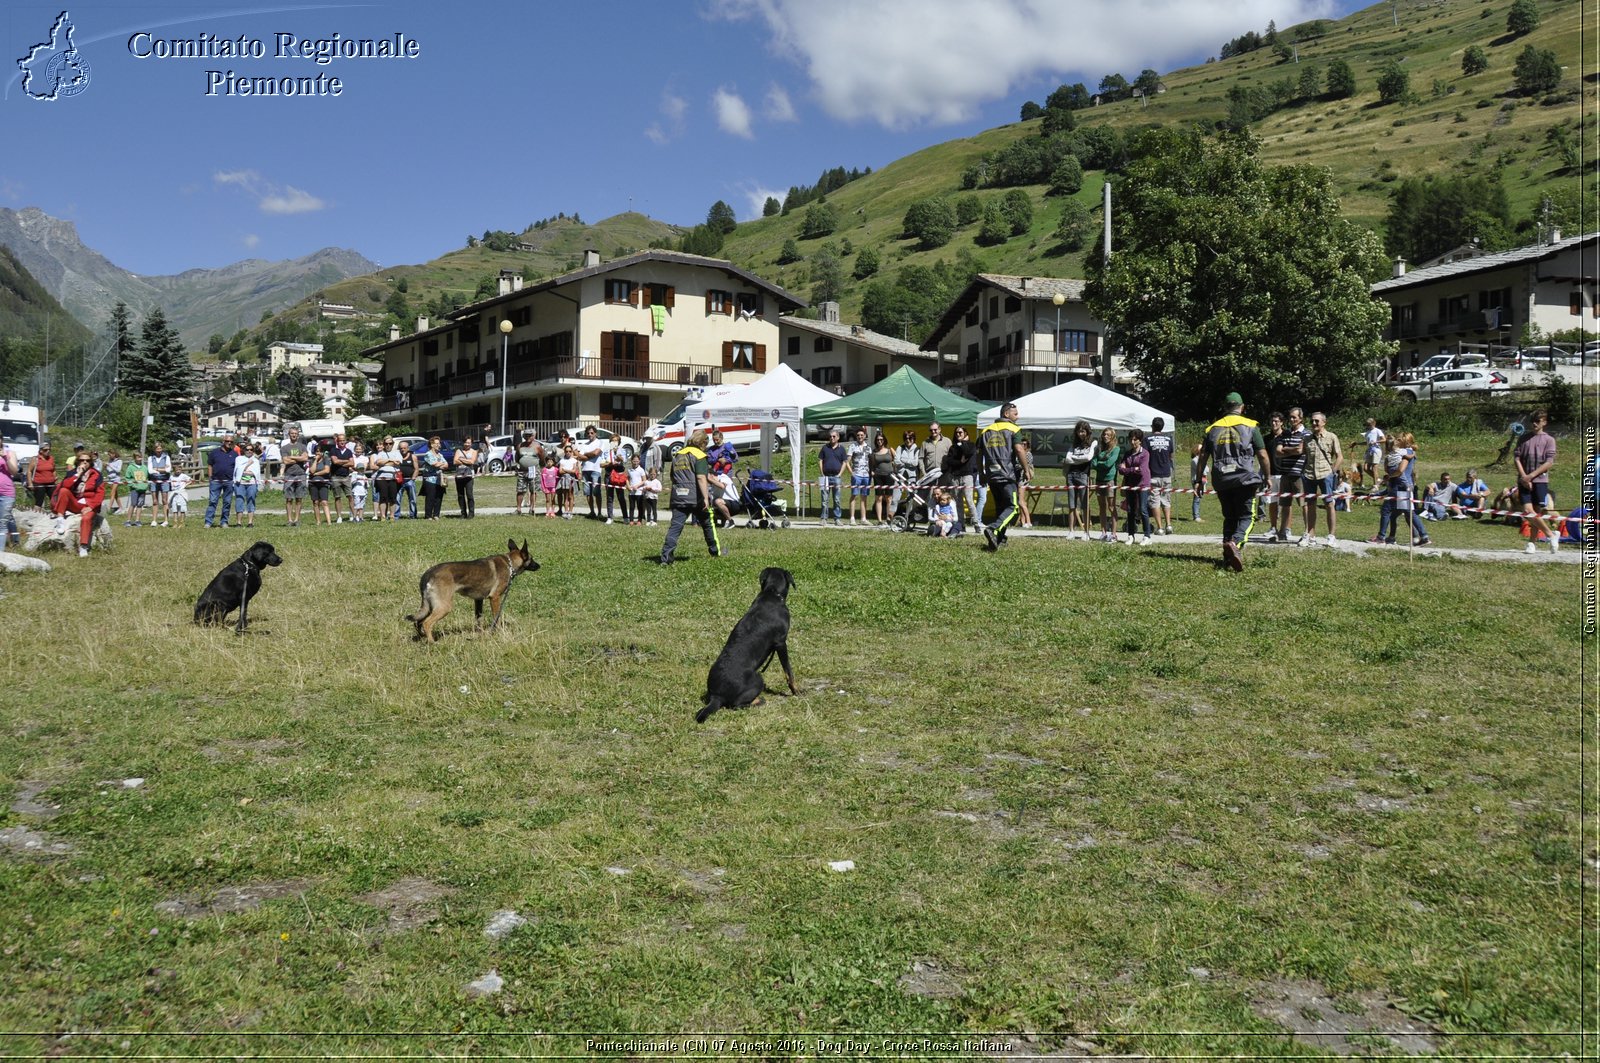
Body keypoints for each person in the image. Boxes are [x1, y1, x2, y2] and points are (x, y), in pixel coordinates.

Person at [1197, 392, 1270, 572]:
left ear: (1225, 407)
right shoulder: (1251, 426)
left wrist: (1198, 480)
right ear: (1242, 407)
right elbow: (1262, 454)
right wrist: (1267, 476)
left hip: (1221, 479)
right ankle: (1235, 544)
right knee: (1247, 516)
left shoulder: (1212, 429)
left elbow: (1202, 457)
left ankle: (1227, 555)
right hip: (1244, 478)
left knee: (1230, 517)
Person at [658, 429, 723, 564]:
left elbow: (672, 476)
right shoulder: (699, 456)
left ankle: (666, 557)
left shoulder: (677, 455)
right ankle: (715, 551)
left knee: (675, 527)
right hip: (696, 497)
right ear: (703, 442)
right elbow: (701, 478)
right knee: (707, 524)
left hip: (678, 496)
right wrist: (705, 498)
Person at [978, 401, 1027, 551]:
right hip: (1007, 475)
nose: (1017, 417)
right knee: (1013, 508)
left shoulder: (985, 430)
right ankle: (993, 529)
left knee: (1001, 508)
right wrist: (1027, 468)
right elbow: (1019, 449)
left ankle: (998, 539)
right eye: (1015, 414)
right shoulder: (1013, 429)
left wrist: (981, 473)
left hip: (992, 476)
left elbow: (979, 454)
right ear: (1006, 414)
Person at [1372, 431, 1430, 546]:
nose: (1397, 441)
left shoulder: (1406, 453)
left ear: (1405, 441)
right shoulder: (1406, 452)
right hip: (1402, 485)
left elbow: (1400, 470)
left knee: (1387, 510)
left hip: (1400, 485)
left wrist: (1389, 476)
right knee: (1399, 514)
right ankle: (1397, 537)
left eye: (1399, 439)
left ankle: (1381, 536)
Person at [1514, 409, 1558, 554]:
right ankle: (1551, 535)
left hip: (1540, 480)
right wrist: (1524, 477)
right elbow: (1517, 458)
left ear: (1544, 422)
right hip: (1523, 479)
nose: (1534, 423)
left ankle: (1532, 542)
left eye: (1538, 421)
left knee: (1537, 512)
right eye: (1532, 420)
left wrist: (1531, 476)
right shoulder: (1523, 438)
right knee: (1528, 511)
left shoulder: (1549, 440)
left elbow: (1549, 462)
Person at [52, 452, 105, 557]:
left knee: (86, 519)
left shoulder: (97, 475)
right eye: (82, 460)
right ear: (78, 461)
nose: (85, 462)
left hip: (89, 504)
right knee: (63, 491)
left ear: (91, 462)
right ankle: (60, 519)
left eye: (87, 460)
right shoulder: (72, 473)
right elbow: (64, 485)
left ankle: (83, 546)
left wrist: (91, 507)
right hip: (75, 502)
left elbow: (100, 493)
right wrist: (77, 475)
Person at [1303, 411, 1342, 545]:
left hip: (1326, 475)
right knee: (1310, 504)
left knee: (1329, 504)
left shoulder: (1331, 437)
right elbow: (1303, 455)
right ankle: (1311, 535)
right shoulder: (1307, 438)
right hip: (1309, 475)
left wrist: (1333, 471)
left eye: (1317, 421)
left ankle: (1331, 536)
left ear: (1324, 422)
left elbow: (1339, 456)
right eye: (1312, 421)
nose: (1314, 423)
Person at [1269, 409, 1308, 542]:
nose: (1292, 420)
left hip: (1299, 474)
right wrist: (1292, 451)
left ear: (1301, 418)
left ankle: (1308, 532)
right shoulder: (1285, 433)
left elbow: (1300, 450)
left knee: (1304, 504)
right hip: (1285, 474)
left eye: (1294, 417)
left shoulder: (1306, 433)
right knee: (1285, 505)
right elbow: (1278, 452)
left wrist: (1286, 450)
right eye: (1290, 417)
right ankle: (1282, 532)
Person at [1061, 421, 1096, 540]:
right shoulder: (1074, 444)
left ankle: (1086, 532)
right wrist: (1079, 459)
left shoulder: (1093, 442)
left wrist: (1075, 459)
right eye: (1079, 431)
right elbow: (1067, 459)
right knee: (1072, 505)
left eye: (1083, 431)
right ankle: (1071, 531)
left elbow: (1088, 457)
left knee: (1084, 505)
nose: (1081, 433)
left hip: (1083, 475)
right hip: (1071, 475)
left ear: (1087, 432)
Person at [1118, 429, 1152, 544]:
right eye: (1131, 439)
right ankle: (1131, 535)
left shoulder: (1145, 453)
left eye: (1135, 439)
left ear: (1140, 440)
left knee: (1142, 509)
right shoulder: (1127, 454)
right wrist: (1132, 469)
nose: (1132, 442)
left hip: (1143, 484)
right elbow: (1120, 470)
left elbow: (1141, 471)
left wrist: (1127, 469)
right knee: (1130, 510)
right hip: (1130, 485)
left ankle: (1147, 536)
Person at [944, 425, 980, 527]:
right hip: (955, 476)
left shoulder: (971, 445)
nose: (958, 434)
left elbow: (967, 452)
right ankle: (961, 524)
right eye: (957, 433)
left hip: (967, 476)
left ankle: (976, 523)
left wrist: (963, 442)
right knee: (957, 501)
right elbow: (950, 461)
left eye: (960, 432)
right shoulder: (953, 447)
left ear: (965, 434)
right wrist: (960, 461)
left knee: (969, 500)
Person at [1090, 427, 1120, 542]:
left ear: (1112, 436)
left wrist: (1100, 464)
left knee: (1111, 507)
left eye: (1108, 435)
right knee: (1101, 506)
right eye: (1104, 434)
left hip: (1110, 480)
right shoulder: (1099, 449)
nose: (1105, 436)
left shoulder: (1116, 449)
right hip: (1099, 480)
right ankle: (1103, 532)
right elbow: (1093, 463)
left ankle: (1113, 534)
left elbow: (1109, 464)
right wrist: (1100, 464)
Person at [1146, 417, 1175, 536]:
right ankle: (1169, 525)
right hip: (1166, 473)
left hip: (1153, 474)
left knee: (1155, 501)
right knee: (1166, 500)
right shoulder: (1169, 439)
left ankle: (1160, 527)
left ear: (1152, 426)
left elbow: (1145, 456)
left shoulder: (1147, 439)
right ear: (1162, 427)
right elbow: (1171, 456)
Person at [204, 431, 239, 528]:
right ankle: (208, 522)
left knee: (227, 502)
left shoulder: (235, 454)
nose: (229, 443)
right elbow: (210, 465)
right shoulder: (214, 453)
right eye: (227, 441)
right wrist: (210, 478)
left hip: (229, 482)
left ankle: (224, 522)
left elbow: (237, 468)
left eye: (231, 441)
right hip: (215, 481)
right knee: (213, 501)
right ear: (223, 441)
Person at [281, 427, 309, 528]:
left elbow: (305, 458)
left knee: (299, 498)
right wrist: (299, 459)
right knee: (289, 499)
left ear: (298, 435)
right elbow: (285, 461)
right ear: (289, 434)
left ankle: (297, 519)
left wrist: (292, 457)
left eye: (295, 433)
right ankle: (289, 519)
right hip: (289, 474)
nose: (294, 435)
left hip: (301, 474)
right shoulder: (284, 448)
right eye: (292, 433)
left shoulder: (302, 446)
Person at [817, 429, 847, 526]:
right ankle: (823, 518)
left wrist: (840, 474)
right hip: (825, 477)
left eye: (834, 436)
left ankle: (837, 519)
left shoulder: (842, 449)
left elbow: (845, 462)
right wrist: (822, 473)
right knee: (824, 499)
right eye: (830, 436)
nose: (832, 438)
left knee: (837, 499)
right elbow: (820, 460)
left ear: (838, 437)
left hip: (836, 477)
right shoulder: (825, 448)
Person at [371, 435, 403, 522]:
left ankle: (392, 516)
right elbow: (378, 462)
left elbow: (398, 462)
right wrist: (392, 460)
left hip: (393, 478)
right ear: (384, 444)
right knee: (383, 497)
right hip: (381, 478)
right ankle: (383, 516)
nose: (388, 445)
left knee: (393, 498)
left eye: (390, 443)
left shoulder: (397, 452)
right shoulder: (380, 453)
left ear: (393, 444)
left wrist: (385, 462)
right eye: (386, 443)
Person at [845, 427, 872, 525]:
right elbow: (847, 461)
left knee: (864, 497)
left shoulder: (868, 447)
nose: (860, 437)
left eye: (862, 435)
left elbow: (871, 461)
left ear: (865, 436)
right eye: (858, 435)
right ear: (856, 436)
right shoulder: (853, 446)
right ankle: (852, 518)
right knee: (854, 495)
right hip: (857, 474)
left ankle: (863, 518)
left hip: (866, 475)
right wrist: (852, 472)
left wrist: (871, 472)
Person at [327, 432, 354, 523]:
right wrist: (346, 461)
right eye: (340, 441)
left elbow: (352, 463)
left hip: (346, 477)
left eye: (343, 440)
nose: (342, 442)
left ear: (345, 441)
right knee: (337, 497)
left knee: (350, 496)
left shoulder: (349, 451)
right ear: (337, 441)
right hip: (336, 477)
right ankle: (339, 516)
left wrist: (340, 462)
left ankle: (353, 515)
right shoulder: (333, 450)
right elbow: (335, 462)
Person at [418, 437, 448, 520]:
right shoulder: (428, 454)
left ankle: (436, 515)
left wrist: (440, 464)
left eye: (439, 443)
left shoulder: (440, 455)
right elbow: (434, 464)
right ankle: (428, 515)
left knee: (438, 497)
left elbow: (447, 465)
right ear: (432, 445)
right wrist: (441, 464)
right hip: (430, 479)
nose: (439, 445)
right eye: (437, 443)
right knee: (430, 498)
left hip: (439, 479)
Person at [869, 430, 895, 527]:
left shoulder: (889, 450)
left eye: (881, 439)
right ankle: (880, 520)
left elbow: (897, 461)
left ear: (884, 440)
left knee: (889, 498)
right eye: (878, 440)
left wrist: (895, 471)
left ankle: (888, 518)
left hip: (889, 476)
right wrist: (872, 471)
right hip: (878, 476)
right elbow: (871, 463)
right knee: (879, 498)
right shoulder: (874, 452)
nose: (880, 441)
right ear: (876, 441)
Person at [578, 426, 604, 518]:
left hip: (595, 470)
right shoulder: (584, 445)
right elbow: (580, 457)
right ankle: (592, 512)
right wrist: (587, 455)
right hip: (585, 470)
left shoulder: (600, 442)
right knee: (588, 493)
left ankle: (600, 512)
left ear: (595, 433)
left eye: (592, 433)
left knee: (596, 492)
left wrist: (585, 454)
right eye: (588, 433)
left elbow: (595, 453)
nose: (590, 435)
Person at [307, 438, 335, 525]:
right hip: (313, 483)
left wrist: (316, 474)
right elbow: (311, 470)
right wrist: (315, 460)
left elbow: (326, 470)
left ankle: (329, 522)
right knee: (315, 502)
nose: (318, 453)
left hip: (323, 482)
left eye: (319, 451)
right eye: (316, 451)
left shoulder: (326, 459)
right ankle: (318, 521)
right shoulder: (311, 460)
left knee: (324, 502)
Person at [893, 429, 920, 515]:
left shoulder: (917, 449)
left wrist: (903, 460)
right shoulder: (900, 448)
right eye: (906, 438)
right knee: (895, 498)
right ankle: (891, 516)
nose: (908, 440)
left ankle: (909, 516)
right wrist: (909, 462)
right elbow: (896, 461)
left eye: (910, 438)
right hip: (900, 477)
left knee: (910, 497)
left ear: (914, 438)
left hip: (912, 477)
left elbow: (915, 463)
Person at [454, 435, 481, 518]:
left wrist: (461, 459)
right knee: (460, 495)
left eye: (469, 443)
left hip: (469, 476)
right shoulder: (458, 451)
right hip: (459, 476)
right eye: (466, 442)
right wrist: (466, 461)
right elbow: (455, 461)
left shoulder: (474, 451)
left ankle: (471, 513)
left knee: (469, 494)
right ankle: (463, 513)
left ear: (471, 443)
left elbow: (472, 462)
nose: (467, 444)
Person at [603, 439, 629, 524]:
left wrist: (616, 454)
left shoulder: (622, 450)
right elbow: (602, 464)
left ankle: (625, 517)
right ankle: (610, 517)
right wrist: (609, 463)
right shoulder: (606, 451)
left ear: (619, 442)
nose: (614, 442)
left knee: (621, 497)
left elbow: (624, 460)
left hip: (619, 476)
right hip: (609, 475)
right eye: (612, 441)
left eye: (616, 441)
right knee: (609, 497)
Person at [147, 441, 173, 527]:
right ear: (154, 449)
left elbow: (168, 470)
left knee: (165, 501)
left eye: (160, 448)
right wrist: (162, 469)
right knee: (155, 501)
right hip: (154, 481)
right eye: (157, 449)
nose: (159, 450)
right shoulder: (150, 458)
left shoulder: (167, 457)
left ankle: (166, 520)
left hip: (164, 480)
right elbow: (150, 471)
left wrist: (156, 469)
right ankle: (154, 520)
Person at [920, 422, 952, 489]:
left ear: (939, 429)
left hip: (944, 473)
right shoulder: (925, 443)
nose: (933, 431)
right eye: (931, 430)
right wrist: (923, 472)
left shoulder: (947, 441)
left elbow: (951, 457)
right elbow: (920, 458)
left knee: (943, 495)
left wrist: (949, 472)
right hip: (929, 474)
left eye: (935, 429)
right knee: (931, 496)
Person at [26, 441, 57, 509]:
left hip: (51, 483)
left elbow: (53, 469)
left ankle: (55, 512)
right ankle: (36, 515)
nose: (48, 451)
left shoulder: (51, 458)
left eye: (49, 450)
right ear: (41, 451)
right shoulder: (35, 459)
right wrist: (30, 483)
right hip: (39, 483)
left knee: (55, 499)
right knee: (39, 501)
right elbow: (29, 471)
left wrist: (55, 477)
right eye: (45, 450)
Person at [124, 451, 149, 527]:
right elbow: (127, 478)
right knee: (133, 504)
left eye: (140, 456)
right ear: (134, 458)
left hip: (143, 489)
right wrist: (132, 484)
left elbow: (147, 477)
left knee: (140, 505)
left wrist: (146, 484)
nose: (139, 458)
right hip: (134, 489)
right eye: (137, 457)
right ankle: (128, 520)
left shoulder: (144, 467)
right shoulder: (130, 467)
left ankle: (137, 520)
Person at [0, 433, 16, 552]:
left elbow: (14, 471)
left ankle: (1, 552)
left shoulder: (10, 453)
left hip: (6, 493)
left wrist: (5, 458)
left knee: (2, 523)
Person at [1016, 438, 1036, 529]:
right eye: (1022, 444)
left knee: (1021, 501)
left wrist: (1016, 465)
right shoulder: (1018, 454)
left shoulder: (1028, 454)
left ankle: (1028, 521)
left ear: (1028, 446)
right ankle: (1023, 522)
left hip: (1023, 479)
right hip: (1017, 478)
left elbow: (1024, 465)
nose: (1023, 445)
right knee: (1021, 501)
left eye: (1025, 444)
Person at [396, 441, 420, 519]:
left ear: (408, 448)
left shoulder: (413, 457)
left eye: (404, 448)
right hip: (399, 481)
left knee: (412, 499)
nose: (402, 450)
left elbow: (416, 469)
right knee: (397, 499)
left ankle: (413, 515)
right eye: (401, 448)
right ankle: (396, 515)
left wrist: (412, 479)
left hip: (409, 480)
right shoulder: (396, 457)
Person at [557, 443, 580, 519]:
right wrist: (567, 471)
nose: (568, 453)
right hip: (564, 479)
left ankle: (570, 511)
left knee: (571, 495)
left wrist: (565, 469)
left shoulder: (574, 460)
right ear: (564, 452)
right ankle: (566, 511)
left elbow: (574, 471)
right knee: (565, 496)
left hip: (571, 479)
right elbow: (560, 471)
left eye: (570, 451)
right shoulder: (562, 460)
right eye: (566, 451)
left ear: (572, 452)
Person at [1362, 417, 1385, 489]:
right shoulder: (1367, 433)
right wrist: (1356, 443)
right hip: (1369, 451)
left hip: (1376, 450)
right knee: (1366, 468)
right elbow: (1367, 443)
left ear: (1374, 423)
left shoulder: (1378, 431)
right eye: (1367, 424)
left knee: (1374, 468)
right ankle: (1379, 480)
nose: (1368, 426)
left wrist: (1376, 442)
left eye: (1370, 424)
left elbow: (1384, 440)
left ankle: (1375, 485)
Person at [1189, 441, 1207, 524]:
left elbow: (1206, 470)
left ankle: (1197, 515)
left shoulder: (1201, 459)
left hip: (1202, 481)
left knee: (1199, 499)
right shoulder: (1195, 460)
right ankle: (1196, 516)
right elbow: (1204, 470)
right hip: (1197, 481)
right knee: (1197, 499)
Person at [626, 454, 647, 525]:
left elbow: (644, 480)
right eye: (634, 461)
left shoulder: (641, 470)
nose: (635, 463)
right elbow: (627, 479)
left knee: (639, 507)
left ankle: (639, 520)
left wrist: (637, 486)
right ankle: (631, 520)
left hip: (639, 492)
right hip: (631, 492)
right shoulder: (629, 470)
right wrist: (628, 486)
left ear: (639, 461)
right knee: (631, 507)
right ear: (631, 461)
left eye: (637, 461)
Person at [539, 452, 560, 518]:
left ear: (553, 462)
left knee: (553, 499)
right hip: (547, 487)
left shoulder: (556, 470)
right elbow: (542, 479)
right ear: (546, 462)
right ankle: (548, 511)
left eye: (551, 461)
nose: (549, 463)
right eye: (548, 461)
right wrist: (543, 487)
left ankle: (553, 511)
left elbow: (558, 478)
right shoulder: (544, 470)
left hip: (554, 487)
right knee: (548, 500)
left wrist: (557, 486)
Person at [641, 462, 661, 526]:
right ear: (649, 474)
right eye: (651, 474)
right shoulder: (647, 481)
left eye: (654, 474)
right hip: (647, 497)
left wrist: (652, 488)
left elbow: (659, 489)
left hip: (654, 498)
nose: (652, 475)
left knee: (654, 509)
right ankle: (648, 520)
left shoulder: (657, 482)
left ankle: (654, 521)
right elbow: (643, 488)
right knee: (648, 509)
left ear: (656, 475)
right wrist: (645, 488)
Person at [103, 450, 124, 514]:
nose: (109, 456)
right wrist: (106, 467)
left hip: (116, 479)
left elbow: (118, 470)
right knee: (115, 494)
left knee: (112, 493)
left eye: (110, 454)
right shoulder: (110, 461)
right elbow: (109, 470)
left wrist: (109, 465)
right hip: (110, 479)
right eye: (108, 455)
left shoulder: (119, 461)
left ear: (114, 454)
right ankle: (121, 508)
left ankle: (109, 508)